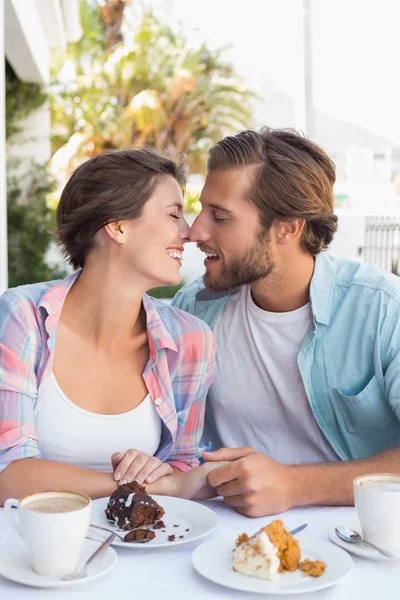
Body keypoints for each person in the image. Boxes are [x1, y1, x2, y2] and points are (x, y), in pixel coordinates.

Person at [172, 127, 400, 517]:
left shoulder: (381, 310)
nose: (195, 231)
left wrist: (293, 484)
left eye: (220, 216)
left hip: (358, 538)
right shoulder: (194, 310)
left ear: (288, 228)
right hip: (220, 538)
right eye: (201, 208)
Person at [0, 147, 218, 506]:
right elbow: (9, 474)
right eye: (173, 214)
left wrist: (160, 472)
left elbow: (182, 466)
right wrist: (138, 486)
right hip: (32, 548)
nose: (189, 231)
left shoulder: (191, 341)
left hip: (142, 551)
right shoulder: (23, 318)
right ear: (118, 226)